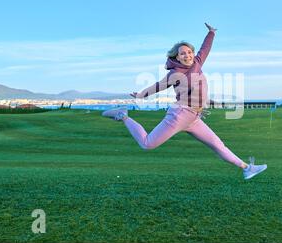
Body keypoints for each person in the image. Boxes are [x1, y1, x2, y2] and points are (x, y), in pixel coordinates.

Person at [102, 23, 267, 180]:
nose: (187, 55)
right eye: (182, 53)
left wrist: (211, 33)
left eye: (189, 52)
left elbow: (205, 49)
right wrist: (141, 95)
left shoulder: (197, 63)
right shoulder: (175, 73)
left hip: (194, 118)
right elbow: (158, 86)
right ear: (177, 57)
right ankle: (123, 115)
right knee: (147, 144)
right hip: (179, 115)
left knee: (218, 145)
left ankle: (247, 168)